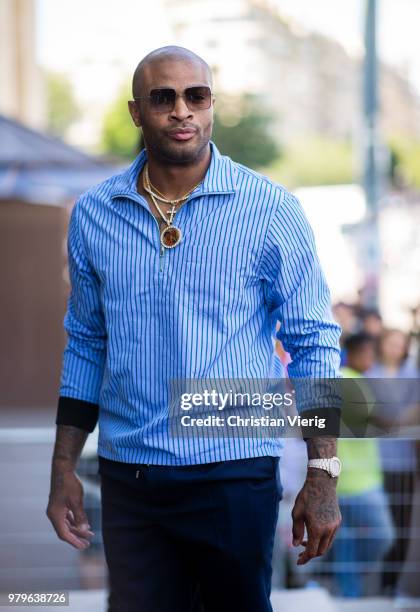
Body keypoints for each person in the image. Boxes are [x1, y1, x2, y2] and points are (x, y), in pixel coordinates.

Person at [46, 46, 342, 612]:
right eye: (164, 98)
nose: (182, 110)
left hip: (235, 472)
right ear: (137, 112)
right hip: (130, 477)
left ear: (212, 106)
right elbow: (85, 342)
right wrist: (64, 468)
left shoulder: (271, 208)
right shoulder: (94, 213)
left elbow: (314, 343)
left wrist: (323, 472)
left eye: (196, 96)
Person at [331, 333, 394, 597]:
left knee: (347, 547)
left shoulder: (359, 379)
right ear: (354, 352)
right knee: (383, 536)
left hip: (359, 479)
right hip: (354, 483)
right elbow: (369, 419)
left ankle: (349, 590)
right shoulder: (344, 378)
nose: (371, 358)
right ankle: (348, 586)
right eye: (367, 352)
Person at [366, 329, 419, 596]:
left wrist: (392, 421)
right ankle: (368, 583)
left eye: (401, 343)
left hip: (404, 462)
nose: (396, 347)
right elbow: (367, 410)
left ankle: (391, 584)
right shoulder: (368, 373)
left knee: (401, 525)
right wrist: (396, 419)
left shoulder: (413, 376)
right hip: (373, 463)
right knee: (377, 526)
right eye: (391, 342)